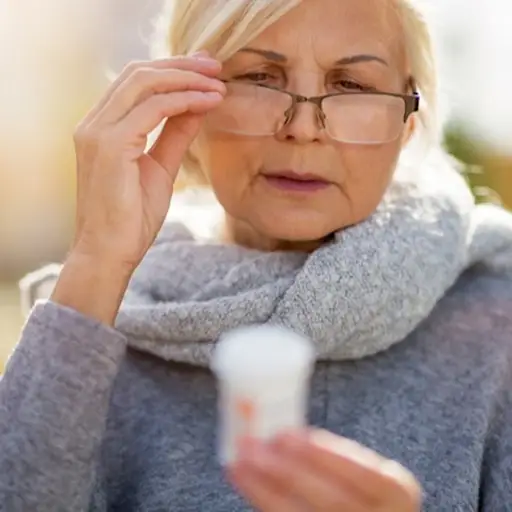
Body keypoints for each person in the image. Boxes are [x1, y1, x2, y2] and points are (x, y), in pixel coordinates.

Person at [1, 0, 512, 510]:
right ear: (185, 108)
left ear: (407, 125)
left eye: (351, 85)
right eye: (261, 77)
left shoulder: (497, 328)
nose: (304, 127)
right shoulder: (94, 329)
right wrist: (97, 260)